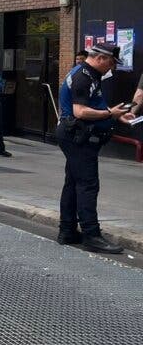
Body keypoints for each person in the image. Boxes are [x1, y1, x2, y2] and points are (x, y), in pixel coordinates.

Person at [57, 43, 133, 253]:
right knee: (88, 185)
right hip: (78, 137)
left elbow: (95, 106)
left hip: (76, 136)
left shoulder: (89, 74)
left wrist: (116, 114)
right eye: (111, 63)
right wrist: (110, 114)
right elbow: (80, 112)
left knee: (73, 183)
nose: (112, 68)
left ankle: (68, 230)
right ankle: (92, 235)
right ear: (100, 58)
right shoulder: (84, 77)